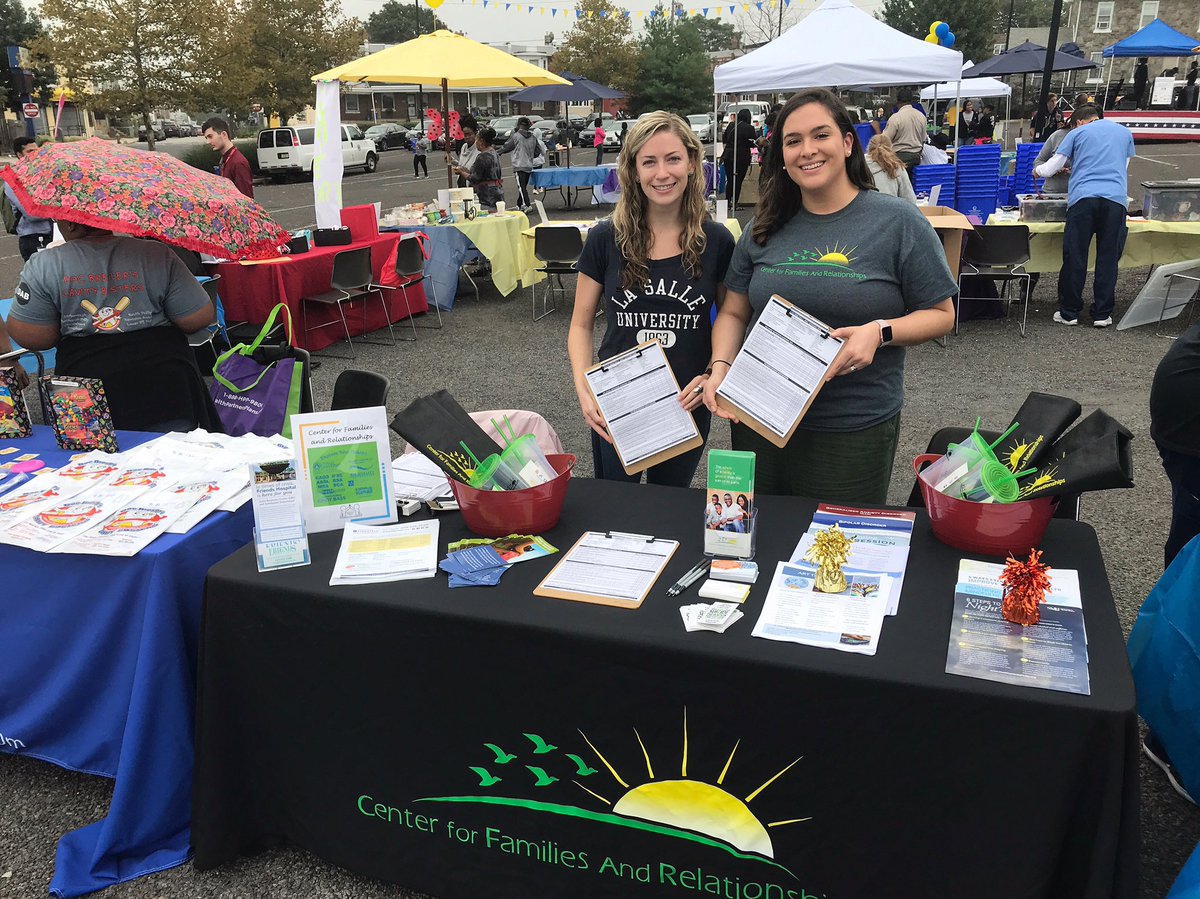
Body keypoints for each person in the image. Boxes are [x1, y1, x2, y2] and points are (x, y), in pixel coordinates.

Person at [703, 89, 957, 503]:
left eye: (820, 135)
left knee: (835, 552)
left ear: (846, 142)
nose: (807, 150)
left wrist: (880, 331)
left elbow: (941, 313)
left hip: (852, 427)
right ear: (781, 154)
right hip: (757, 416)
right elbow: (733, 311)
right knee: (760, 543)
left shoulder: (896, 220)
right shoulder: (765, 224)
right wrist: (720, 367)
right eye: (793, 141)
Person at [568, 111, 736, 487]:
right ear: (632, 169)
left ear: (692, 163)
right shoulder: (605, 238)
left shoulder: (717, 242)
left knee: (668, 508)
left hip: (685, 403)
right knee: (616, 510)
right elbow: (580, 324)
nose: (662, 173)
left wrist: (713, 373)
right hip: (617, 404)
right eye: (649, 162)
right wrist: (584, 389)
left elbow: (731, 316)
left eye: (673, 158)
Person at [5, 222, 219, 432]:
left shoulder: (44, 264)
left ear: (71, 225)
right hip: (165, 380)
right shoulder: (156, 253)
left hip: (85, 384)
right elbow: (197, 318)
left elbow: (33, 336)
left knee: (93, 461)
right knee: (179, 454)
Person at [1033, 105, 1135, 328]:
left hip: (1083, 198)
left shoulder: (1077, 133)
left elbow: (1053, 166)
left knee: (1075, 255)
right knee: (1108, 257)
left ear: (1080, 121)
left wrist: (1037, 171)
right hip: (1115, 199)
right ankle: (1102, 313)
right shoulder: (1124, 132)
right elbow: (1124, 165)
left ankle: (1070, 312)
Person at [1150, 319, 1200, 568]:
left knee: (1189, 523)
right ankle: (1178, 600)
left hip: (1180, 428)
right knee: (1190, 534)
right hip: (1187, 435)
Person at [3, 137, 53, 260]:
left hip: (52, 234)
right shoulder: (13, 180)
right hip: (33, 238)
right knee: (39, 277)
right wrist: (56, 211)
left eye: (37, 151)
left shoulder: (41, 174)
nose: (35, 155)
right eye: (30, 151)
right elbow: (32, 213)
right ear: (19, 155)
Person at [882, 90, 927, 188]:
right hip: (916, 156)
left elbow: (884, 140)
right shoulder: (921, 116)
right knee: (911, 187)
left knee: (898, 188)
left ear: (898, 102)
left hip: (899, 157)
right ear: (911, 101)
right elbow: (924, 139)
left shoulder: (896, 117)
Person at [499, 117, 546, 212]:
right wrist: (530, 156)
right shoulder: (533, 137)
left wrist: (497, 152)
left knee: (521, 187)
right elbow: (538, 151)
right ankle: (519, 204)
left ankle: (527, 205)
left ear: (519, 125)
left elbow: (507, 147)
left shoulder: (516, 136)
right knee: (523, 187)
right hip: (529, 166)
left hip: (519, 166)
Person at [201, 118, 253, 198]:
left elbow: (246, 200)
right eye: (206, 138)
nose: (208, 142)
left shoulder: (238, 162)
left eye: (210, 136)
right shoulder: (226, 159)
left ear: (224, 135)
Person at [456, 127, 504, 210]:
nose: (476, 143)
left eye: (477, 140)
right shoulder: (494, 153)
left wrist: (461, 172)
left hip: (486, 196)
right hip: (497, 191)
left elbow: (474, 178)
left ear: (481, 141)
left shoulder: (482, 157)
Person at [721, 109, 757, 210]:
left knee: (730, 179)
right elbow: (753, 142)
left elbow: (724, 138)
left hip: (728, 155)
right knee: (738, 180)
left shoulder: (731, 125)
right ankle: (735, 203)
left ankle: (727, 202)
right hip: (741, 156)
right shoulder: (749, 128)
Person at [866, 134, 917, 202]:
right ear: (891, 148)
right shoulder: (897, 168)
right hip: (892, 210)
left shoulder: (857, 168)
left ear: (868, 148)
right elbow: (910, 200)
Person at [455, 115, 479, 188]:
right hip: (462, 184)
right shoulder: (464, 147)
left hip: (473, 186)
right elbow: (461, 164)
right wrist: (451, 160)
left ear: (475, 133)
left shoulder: (479, 148)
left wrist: (463, 171)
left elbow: (478, 173)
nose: (467, 137)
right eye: (465, 135)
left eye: (469, 134)